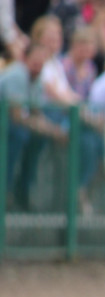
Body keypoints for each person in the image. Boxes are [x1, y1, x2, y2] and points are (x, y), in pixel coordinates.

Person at [1, 42, 67, 210]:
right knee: (18, 136)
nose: (38, 65)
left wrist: (52, 130)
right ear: (25, 58)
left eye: (41, 62)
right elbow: (16, 116)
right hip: (7, 128)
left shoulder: (36, 78)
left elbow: (36, 112)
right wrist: (51, 130)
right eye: (35, 61)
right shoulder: (17, 75)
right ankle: (5, 192)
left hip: (14, 128)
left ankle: (23, 190)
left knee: (38, 138)